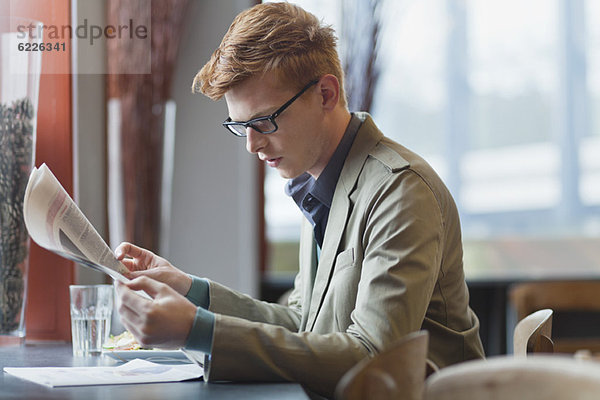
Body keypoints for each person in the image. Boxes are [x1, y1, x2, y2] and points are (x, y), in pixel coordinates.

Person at [114, 2, 485, 398]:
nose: (252, 145)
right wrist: (192, 291)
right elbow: (304, 322)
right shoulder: (322, 182)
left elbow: (374, 359)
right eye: (241, 127)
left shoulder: (400, 191)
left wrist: (198, 329)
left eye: (264, 122)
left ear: (326, 93)